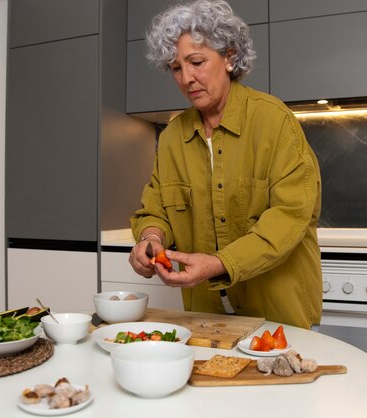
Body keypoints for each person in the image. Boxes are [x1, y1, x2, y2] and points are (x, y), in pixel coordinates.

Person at [128, 0, 322, 329]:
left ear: (229, 57)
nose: (187, 78)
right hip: (205, 318)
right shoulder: (174, 136)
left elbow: (289, 217)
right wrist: (150, 239)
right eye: (176, 68)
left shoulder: (274, 122)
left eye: (197, 62)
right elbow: (156, 208)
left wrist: (220, 263)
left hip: (277, 314)